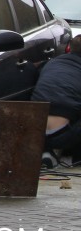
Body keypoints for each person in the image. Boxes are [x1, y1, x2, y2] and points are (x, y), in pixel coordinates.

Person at [32, 35, 81, 167]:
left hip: (35, 128)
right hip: (63, 135)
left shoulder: (52, 62)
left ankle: (47, 151)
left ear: (69, 47)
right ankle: (71, 157)